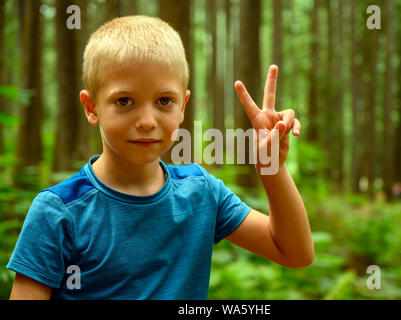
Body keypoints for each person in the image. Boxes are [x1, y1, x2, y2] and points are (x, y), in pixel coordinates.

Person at [7, 16, 313, 300]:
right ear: (91, 107)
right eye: (124, 101)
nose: (147, 121)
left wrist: (272, 167)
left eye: (164, 101)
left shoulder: (202, 193)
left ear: (183, 107)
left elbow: (294, 252)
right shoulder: (59, 212)